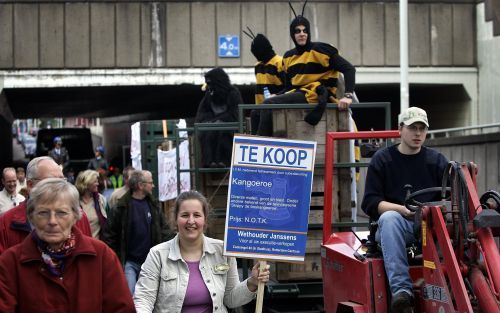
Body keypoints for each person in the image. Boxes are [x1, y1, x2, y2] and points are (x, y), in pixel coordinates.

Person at [0, 178, 135, 312]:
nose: (52, 221)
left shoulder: (101, 256)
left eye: (61, 213)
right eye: (43, 213)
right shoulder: (10, 262)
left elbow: (122, 309)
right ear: (31, 217)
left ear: (75, 216)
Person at [361, 107, 449, 313]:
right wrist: (402, 210)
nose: (418, 133)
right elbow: (371, 202)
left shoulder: (437, 161)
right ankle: (402, 293)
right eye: (412, 128)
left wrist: (428, 212)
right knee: (390, 218)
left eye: (422, 129)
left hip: (430, 225)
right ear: (400, 129)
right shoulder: (383, 160)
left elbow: (451, 200)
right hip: (397, 226)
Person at [134, 190, 270, 312]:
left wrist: (252, 282)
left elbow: (231, 299)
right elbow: (143, 299)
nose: (191, 221)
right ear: (176, 219)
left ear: (205, 219)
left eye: (197, 215)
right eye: (185, 215)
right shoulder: (157, 255)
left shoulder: (223, 251)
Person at [254, 3, 356, 135]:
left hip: (315, 93)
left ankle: (260, 146)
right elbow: (289, 87)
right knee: (256, 111)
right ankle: (254, 146)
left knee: (269, 104)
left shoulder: (321, 50)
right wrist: (277, 95)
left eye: (305, 30)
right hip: (299, 94)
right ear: (292, 34)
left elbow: (349, 69)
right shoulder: (288, 57)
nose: (302, 34)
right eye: (297, 31)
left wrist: (348, 96)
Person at [0, 157, 92, 255]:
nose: (59, 188)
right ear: (30, 185)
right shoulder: (6, 223)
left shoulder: (79, 217)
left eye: (62, 181)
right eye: (51, 182)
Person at [104, 170, 173, 294]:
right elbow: (110, 236)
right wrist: (116, 260)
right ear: (141, 185)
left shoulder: (154, 205)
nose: (153, 186)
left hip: (150, 262)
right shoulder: (121, 208)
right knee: (129, 296)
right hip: (129, 263)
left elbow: (165, 230)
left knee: (151, 297)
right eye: (150, 183)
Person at [195, 67, 243, 167]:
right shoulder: (209, 96)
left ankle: (223, 161)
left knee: (222, 132)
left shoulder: (233, 94)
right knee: (207, 132)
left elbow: (234, 115)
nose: (208, 86)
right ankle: (209, 162)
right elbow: (201, 114)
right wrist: (210, 122)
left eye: (209, 83)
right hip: (211, 129)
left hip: (229, 130)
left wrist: (217, 121)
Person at [242, 29, 286, 135]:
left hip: (277, 110)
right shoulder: (257, 66)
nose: (257, 57)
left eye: (257, 53)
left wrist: (276, 96)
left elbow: (289, 87)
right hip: (260, 110)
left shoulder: (280, 63)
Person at [75, 170, 107, 239]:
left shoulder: (100, 200)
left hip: (97, 245)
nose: (97, 184)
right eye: (95, 181)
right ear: (87, 183)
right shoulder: (74, 201)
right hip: (79, 245)